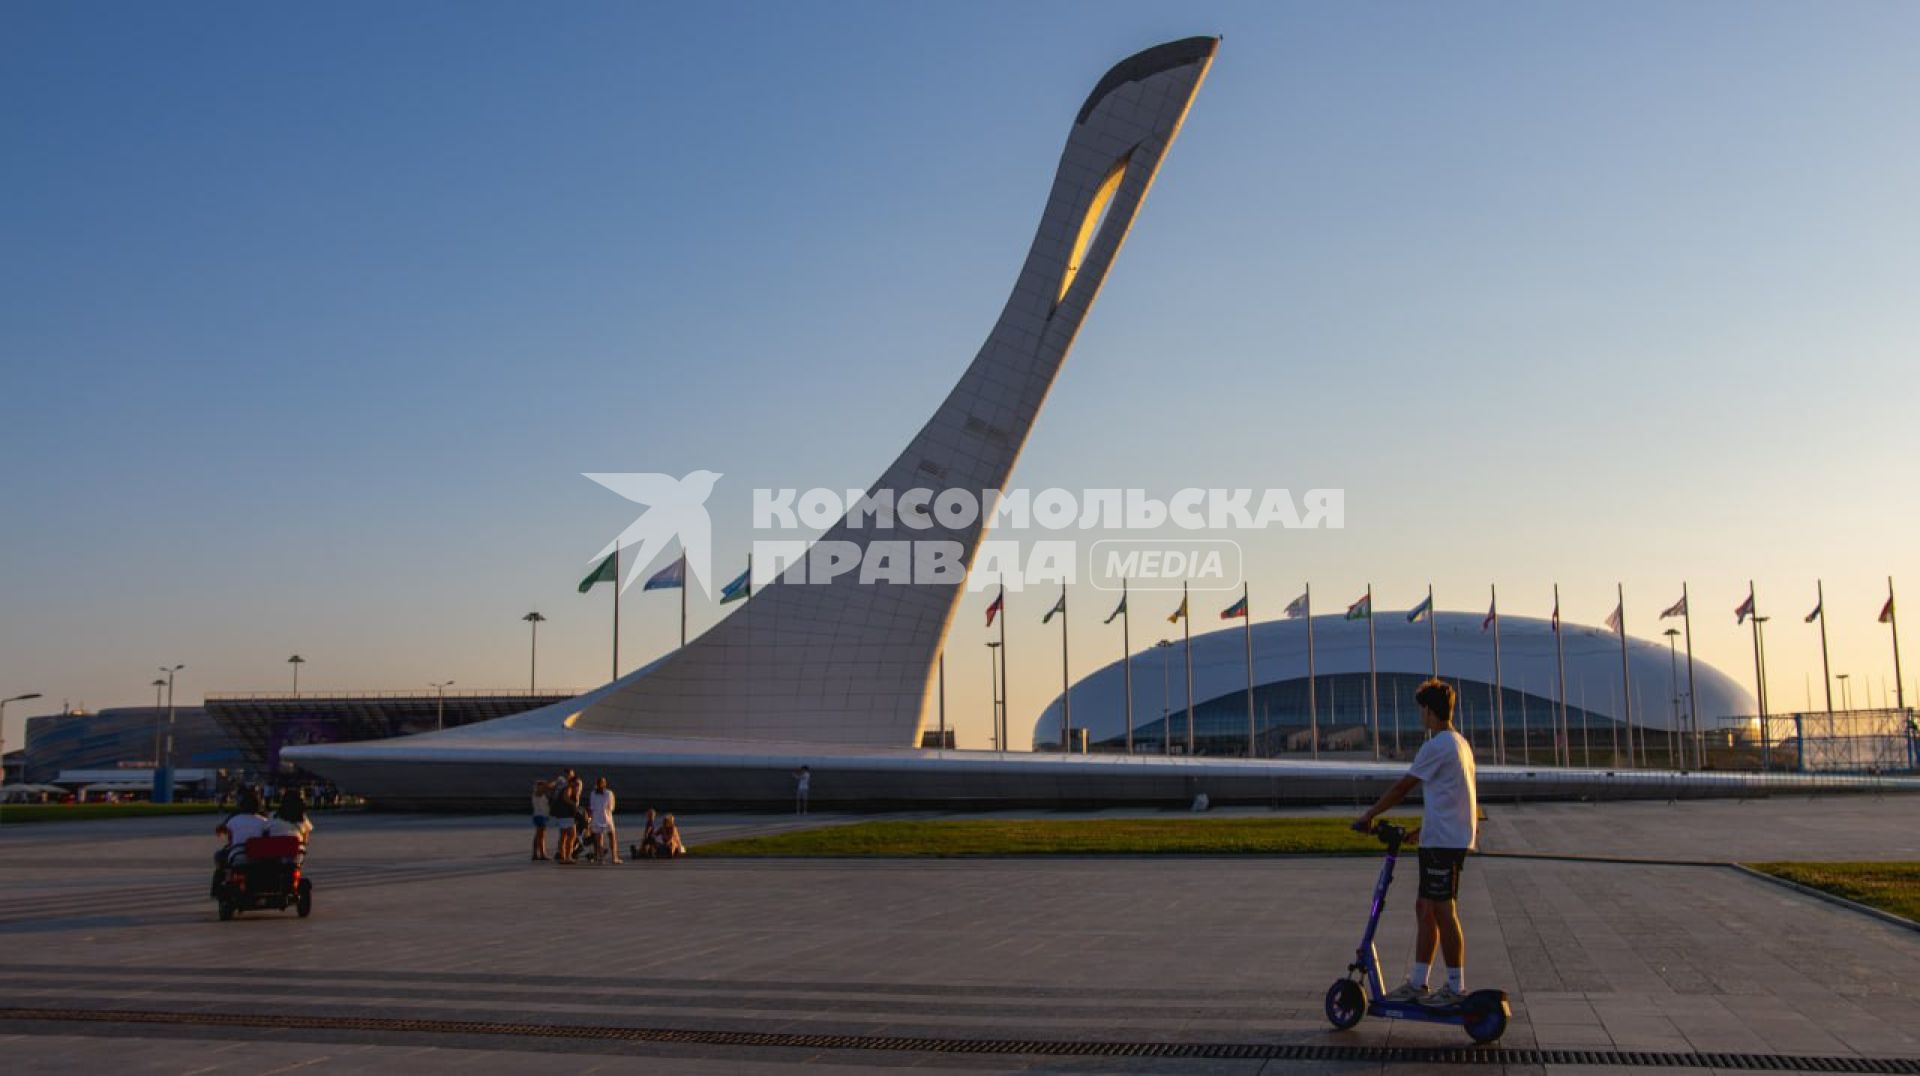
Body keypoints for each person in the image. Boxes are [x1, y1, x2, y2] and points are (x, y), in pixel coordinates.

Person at [1354, 678, 1478, 1008]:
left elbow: (1402, 787)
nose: (1420, 716)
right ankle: (1418, 983)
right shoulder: (1459, 743)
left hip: (1444, 843)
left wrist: (1369, 815)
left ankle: (1455, 988)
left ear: (1428, 710)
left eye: (1421, 710)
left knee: (1443, 910)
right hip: (1441, 837)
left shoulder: (1437, 745)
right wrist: (1422, 830)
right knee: (1425, 908)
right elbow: (1454, 797)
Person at [210, 788, 271, 896]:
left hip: (237, 857)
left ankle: (216, 888)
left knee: (219, 857)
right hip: (258, 858)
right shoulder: (264, 822)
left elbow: (221, 832)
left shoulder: (234, 820)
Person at [589, 777, 620, 864]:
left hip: (601, 818)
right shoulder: (608, 793)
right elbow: (611, 807)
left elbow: (592, 807)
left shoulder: (594, 793)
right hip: (605, 818)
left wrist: (590, 819)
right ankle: (612, 858)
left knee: (608, 838)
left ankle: (606, 858)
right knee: (608, 838)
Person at [553, 774, 580, 864]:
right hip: (567, 816)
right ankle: (568, 856)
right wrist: (574, 805)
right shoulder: (569, 788)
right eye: (576, 783)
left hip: (562, 816)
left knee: (563, 837)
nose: (577, 784)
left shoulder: (565, 788)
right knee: (572, 836)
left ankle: (563, 856)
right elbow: (566, 798)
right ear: (571, 782)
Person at [530, 780, 551, 861]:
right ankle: (542, 854)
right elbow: (542, 791)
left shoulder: (542, 794)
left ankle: (535, 853)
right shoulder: (537, 793)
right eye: (542, 786)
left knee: (538, 835)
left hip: (543, 816)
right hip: (539, 816)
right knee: (541, 836)